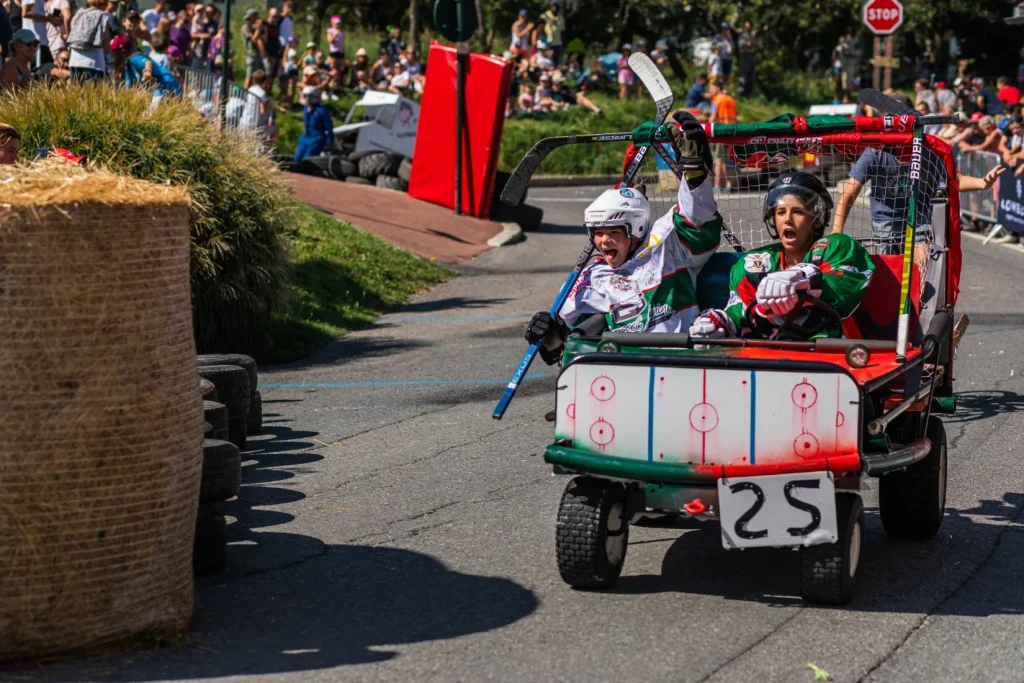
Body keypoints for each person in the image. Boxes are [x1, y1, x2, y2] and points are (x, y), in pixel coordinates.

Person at [524, 111, 724, 359]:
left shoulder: (665, 246)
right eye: (597, 233)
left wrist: (693, 170)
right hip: (625, 370)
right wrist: (547, 335)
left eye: (612, 232)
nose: (603, 241)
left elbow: (697, 216)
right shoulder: (591, 277)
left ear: (637, 228)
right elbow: (559, 347)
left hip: (679, 360)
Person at [691, 172, 875, 342]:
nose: (787, 219)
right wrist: (721, 322)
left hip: (830, 358)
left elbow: (845, 291)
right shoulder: (753, 264)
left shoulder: (837, 246)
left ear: (817, 218)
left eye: (798, 211)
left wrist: (803, 277)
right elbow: (739, 311)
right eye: (780, 212)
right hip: (770, 361)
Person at [67, 0, 114, 81]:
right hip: (93, 61)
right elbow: (106, 39)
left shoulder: (79, 14)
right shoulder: (102, 16)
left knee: (76, 90)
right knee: (93, 91)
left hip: (75, 60)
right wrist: (110, 56)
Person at [293, 86, 333, 163]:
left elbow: (329, 126)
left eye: (306, 96)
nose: (304, 98)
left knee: (307, 161)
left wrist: (329, 140)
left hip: (317, 138)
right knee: (297, 159)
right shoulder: (306, 108)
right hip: (306, 137)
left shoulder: (321, 111)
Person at [709, 81, 736, 192]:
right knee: (728, 160)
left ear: (717, 88)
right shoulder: (730, 99)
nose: (710, 90)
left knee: (718, 160)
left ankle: (717, 186)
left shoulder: (716, 100)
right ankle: (729, 186)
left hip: (720, 132)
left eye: (712, 88)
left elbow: (712, 117)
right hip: (731, 132)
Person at [736, 21, 762, 98]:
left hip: (752, 56)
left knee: (752, 76)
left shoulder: (753, 36)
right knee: (743, 75)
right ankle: (741, 94)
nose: (747, 28)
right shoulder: (742, 35)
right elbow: (743, 46)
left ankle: (748, 94)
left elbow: (759, 46)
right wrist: (751, 45)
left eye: (748, 26)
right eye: (746, 26)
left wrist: (751, 45)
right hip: (745, 56)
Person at [241, 7, 263, 89]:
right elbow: (254, 40)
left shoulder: (253, 27)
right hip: (251, 54)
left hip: (257, 54)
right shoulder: (245, 27)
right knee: (249, 76)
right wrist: (258, 29)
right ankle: (244, 94)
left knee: (257, 76)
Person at [540, 0, 564, 66]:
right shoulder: (545, 15)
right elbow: (540, 27)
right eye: (554, 6)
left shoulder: (560, 17)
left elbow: (562, 28)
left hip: (557, 42)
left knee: (556, 61)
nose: (555, 8)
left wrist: (556, 20)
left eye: (556, 6)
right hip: (547, 41)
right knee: (548, 60)